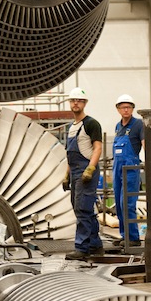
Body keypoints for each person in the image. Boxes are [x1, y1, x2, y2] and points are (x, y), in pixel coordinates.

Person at [62, 87, 104, 260]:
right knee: (79, 207)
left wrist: (90, 168)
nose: (75, 103)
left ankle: (82, 247)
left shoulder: (91, 123)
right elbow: (70, 155)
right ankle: (95, 244)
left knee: (82, 208)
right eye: (73, 100)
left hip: (87, 170)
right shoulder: (71, 127)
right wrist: (66, 175)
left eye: (78, 100)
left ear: (84, 103)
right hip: (75, 171)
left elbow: (98, 148)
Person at [112, 94, 144, 247]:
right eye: (123, 107)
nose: (126, 110)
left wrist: (150, 164)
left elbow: (146, 145)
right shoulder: (118, 127)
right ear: (118, 109)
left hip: (130, 169)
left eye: (129, 107)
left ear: (132, 109)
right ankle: (125, 236)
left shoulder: (138, 124)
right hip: (117, 169)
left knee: (128, 203)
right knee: (119, 203)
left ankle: (133, 238)